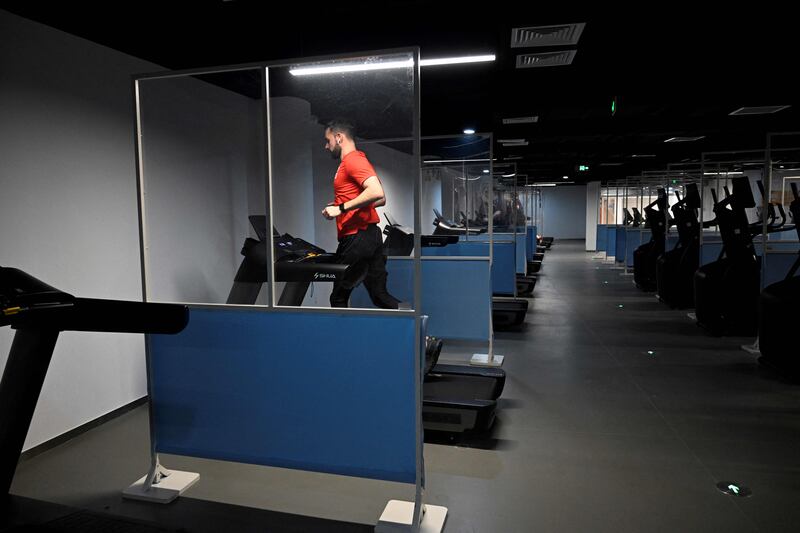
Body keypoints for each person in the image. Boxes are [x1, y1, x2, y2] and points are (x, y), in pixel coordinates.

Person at [320, 120, 401, 309]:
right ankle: (417, 331)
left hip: (356, 238)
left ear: (339, 137)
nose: (326, 145)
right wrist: (343, 204)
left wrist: (341, 208)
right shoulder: (354, 161)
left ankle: (343, 339)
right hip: (371, 236)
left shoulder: (353, 160)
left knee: (338, 298)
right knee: (380, 296)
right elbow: (380, 199)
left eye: (328, 140)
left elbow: (377, 193)